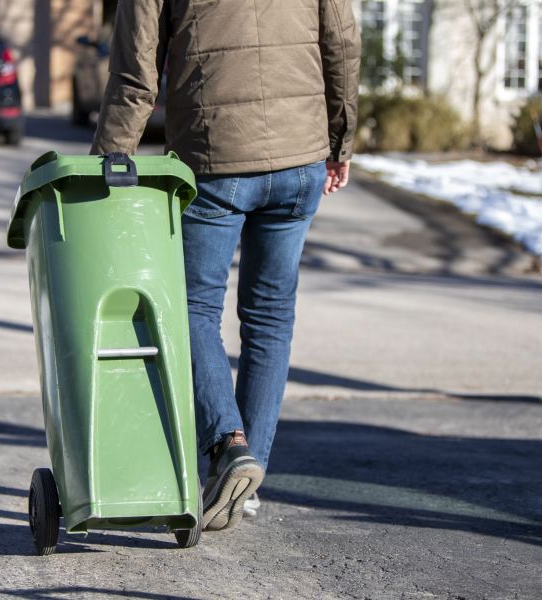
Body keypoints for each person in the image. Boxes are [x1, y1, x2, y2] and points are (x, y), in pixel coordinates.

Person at [92, 0, 361, 531]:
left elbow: (136, 70)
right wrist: (340, 141)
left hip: (216, 156)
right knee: (270, 318)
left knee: (191, 309)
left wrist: (109, 160)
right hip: (301, 159)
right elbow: (343, 43)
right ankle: (247, 475)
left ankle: (230, 445)